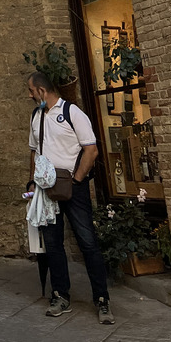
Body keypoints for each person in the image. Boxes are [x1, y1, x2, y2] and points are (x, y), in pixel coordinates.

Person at [27, 71, 115, 325]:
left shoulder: (72, 113)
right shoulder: (36, 117)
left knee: (87, 242)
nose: (30, 95)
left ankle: (102, 299)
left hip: (73, 188)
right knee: (53, 244)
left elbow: (91, 149)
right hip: (47, 190)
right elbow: (34, 153)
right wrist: (32, 183)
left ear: (42, 91)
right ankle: (60, 295)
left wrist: (76, 180)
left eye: (32, 91)